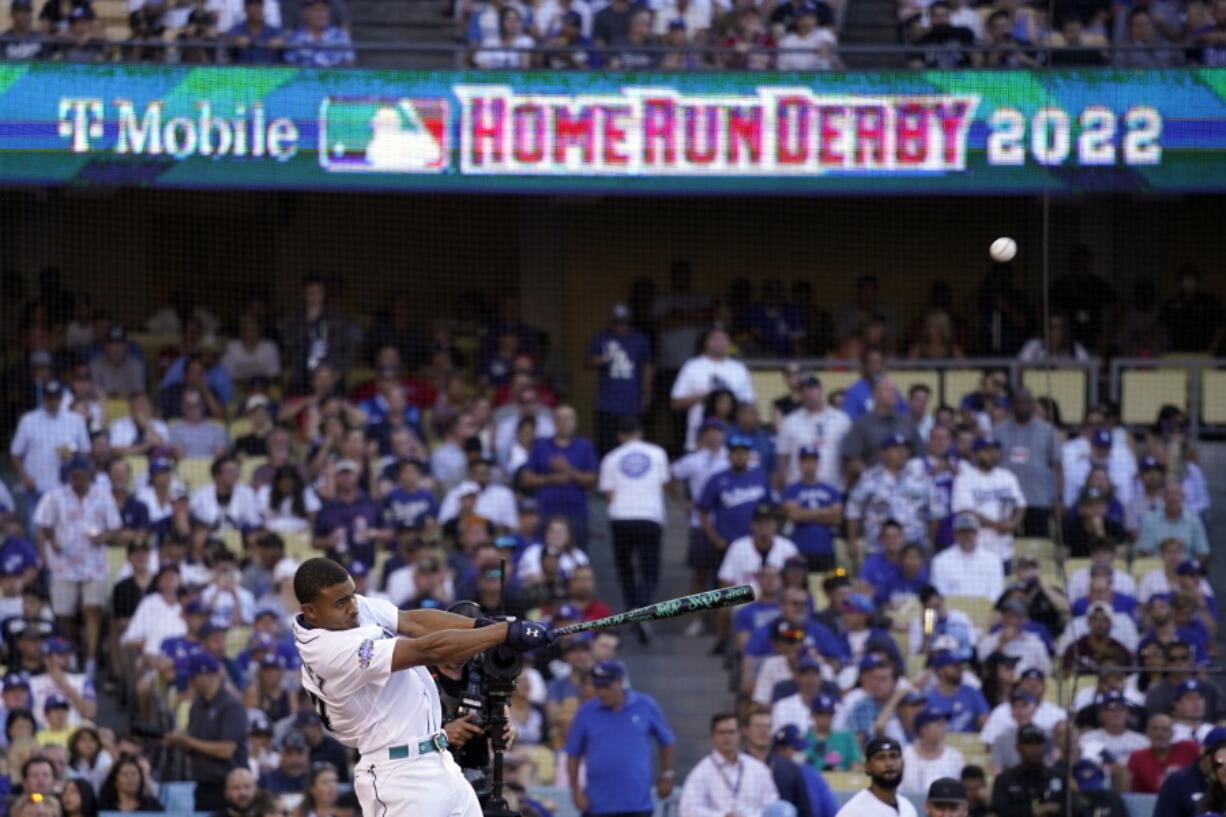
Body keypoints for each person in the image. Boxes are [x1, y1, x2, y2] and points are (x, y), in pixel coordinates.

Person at [290, 557, 553, 817]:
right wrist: (503, 633)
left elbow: (413, 622)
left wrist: (484, 625)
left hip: (439, 762)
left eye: (352, 596)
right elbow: (426, 649)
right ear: (310, 610)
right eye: (341, 602)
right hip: (399, 775)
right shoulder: (328, 652)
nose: (352, 606)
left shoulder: (345, 610)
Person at [33, 455, 120, 674]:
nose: (79, 480)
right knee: (64, 614)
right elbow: (42, 527)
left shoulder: (103, 495)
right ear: (70, 475)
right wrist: (47, 551)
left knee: (93, 609)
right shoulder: (55, 496)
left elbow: (115, 527)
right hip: (63, 564)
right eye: (75, 475)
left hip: (94, 563)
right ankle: (69, 654)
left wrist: (103, 537)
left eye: (82, 475)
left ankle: (90, 661)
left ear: (89, 475)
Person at [566, 659, 675, 817]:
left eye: (606, 686)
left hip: (637, 803)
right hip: (597, 804)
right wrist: (575, 790)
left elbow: (667, 741)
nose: (601, 692)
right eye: (598, 687)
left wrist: (667, 775)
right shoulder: (586, 711)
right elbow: (573, 753)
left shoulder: (645, 705)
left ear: (620, 682)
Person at [599, 417, 669, 641]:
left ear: (620, 436)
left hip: (621, 517)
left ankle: (632, 611)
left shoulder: (611, 458)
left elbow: (608, 494)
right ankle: (642, 608)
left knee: (625, 569)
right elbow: (662, 484)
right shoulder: (657, 453)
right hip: (649, 516)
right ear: (640, 433)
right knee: (649, 570)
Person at [520, 405, 597, 547]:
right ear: (553, 422)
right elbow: (526, 479)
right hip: (545, 511)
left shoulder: (585, 446)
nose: (564, 423)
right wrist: (551, 478)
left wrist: (569, 471)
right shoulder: (540, 445)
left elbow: (592, 481)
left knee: (575, 557)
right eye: (560, 419)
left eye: (568, 419)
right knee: (542, 555)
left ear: (575, 422)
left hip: (575, 513)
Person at [670, 328, 755, 452]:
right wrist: (704, 397)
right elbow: (675, 403)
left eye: (723, 339)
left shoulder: (738, 368)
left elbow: (750, 403)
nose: (719, 343)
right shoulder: (692, 366)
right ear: (706, 342)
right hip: (699, 439)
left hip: (734, 443)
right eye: (715, 339)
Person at [679, 713, 778, 817]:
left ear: (740, 734)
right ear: (713, 736)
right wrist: (722, 816)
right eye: (722, 733)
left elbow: (771, 806)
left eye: (731, 732)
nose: (727, 737)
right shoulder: (701, 772)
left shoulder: (758, 769)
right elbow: (687, 810)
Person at [993, 388, 1062, 537]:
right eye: (1018, 403)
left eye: (1026, 403)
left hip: (1039, 499)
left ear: (1032, 405)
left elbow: (1057, 467)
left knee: (1038, 542)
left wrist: (1057, 498)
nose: (1022, 407)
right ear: (1012, 405)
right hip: (1007, 499)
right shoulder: (998, 431)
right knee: (1006, 541)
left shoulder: (1048, 431)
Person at [588, 303, 654, 455]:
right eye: (617, 322)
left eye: (624, 322)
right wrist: (597, 360)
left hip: (631, 402)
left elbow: (648, 367)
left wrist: (647, 394)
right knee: (606, 447)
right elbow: (586, 363)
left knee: (632, 446)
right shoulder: (602, 338)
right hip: (606, 403)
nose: (621, 326)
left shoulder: (640, 340)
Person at [952, 436, 1025, 566]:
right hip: (978, 549)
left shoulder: (1007, 476)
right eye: (987, 451)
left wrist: (1013, 523)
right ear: (975, 454)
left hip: (1004, 549)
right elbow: (966, 512)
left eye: (995, 451)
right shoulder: (964, 478)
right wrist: (998, 525)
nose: (993, 455)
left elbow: (1021, 505)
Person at [776, 375, 852, 493]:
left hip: (833, 489)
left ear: (820, 390)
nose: (807, 394)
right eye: (803, 391)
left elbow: (849, 457)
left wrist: (847, 484)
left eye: (811, 389)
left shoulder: (841, 419)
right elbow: (782, 457)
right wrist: (785, 488)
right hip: (798, 490)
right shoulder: (789, 421)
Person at [780, 446, 842, 572]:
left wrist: (804, 513)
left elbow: (836, 518)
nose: (809, 465)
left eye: (813, 461)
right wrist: (825, 511)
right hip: (799, 548)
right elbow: (794, 516)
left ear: (818, 464)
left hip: (825, 548)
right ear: (800, 464)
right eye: (806, 461)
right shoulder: (791, 490)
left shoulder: (831, 490)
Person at [990, 724, 1063, 817]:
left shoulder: (1058, 776)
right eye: (1029, 744)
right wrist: (1034, 811)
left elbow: (1072, 808)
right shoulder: (1004, 780)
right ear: (1018, 748)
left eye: (1038, 743)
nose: (1034, 749)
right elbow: (1001, 810)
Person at [834, 736, 917, 817]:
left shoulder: (907, 807)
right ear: (868, 767)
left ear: (903, 764)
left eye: (893, 756)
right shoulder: (853, 812)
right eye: (880, 758)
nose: (889, 764)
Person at [930, 513, 1005, 602]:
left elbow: (996, 593)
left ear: (977, 533)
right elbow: (940, 593)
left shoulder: (993, 560)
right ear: (955, 534)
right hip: (953, 612)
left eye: (970, 531)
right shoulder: (940, 561)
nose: (966, 536)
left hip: (985, 611)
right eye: (962, 532)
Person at [1127, 713, 1199, 794]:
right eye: (1155, 729)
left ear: (1172, 733)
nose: (1159, 734)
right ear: (1147, 733)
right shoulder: (1137, 758)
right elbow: (1135, 793)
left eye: (1165, 729)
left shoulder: (1188, 748)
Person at [96, 755, 163, 812]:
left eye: (134, 774)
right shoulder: (103, 806)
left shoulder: (152, 806)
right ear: (115, 781)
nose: (131, 779)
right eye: (125, 775)